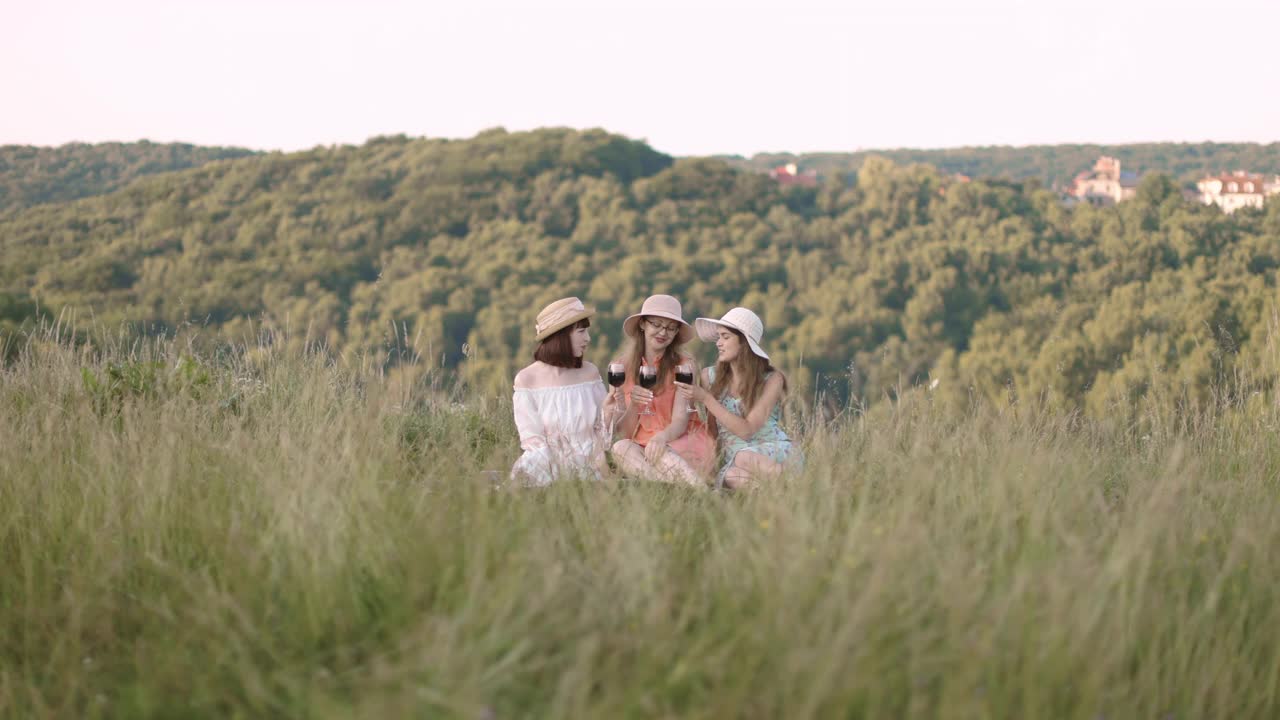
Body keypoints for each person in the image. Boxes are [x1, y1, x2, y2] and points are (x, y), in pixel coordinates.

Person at [677, 307, 801, 489]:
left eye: (725, 337)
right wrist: (710, 464)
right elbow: (713, 431)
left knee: (743, 457)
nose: (718, 343)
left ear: (744, 343)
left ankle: (793, 485)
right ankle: (779, 495)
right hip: (733, 459)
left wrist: (706, 399)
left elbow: (747, 430)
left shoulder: (772, 379)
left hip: (771, 451)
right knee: (730, 476)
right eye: (718, 337)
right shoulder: (708, 376)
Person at [609, 294, 715, 487]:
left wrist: (661, 438)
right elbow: (625, 433)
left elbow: (680, 421)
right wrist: (634, 404)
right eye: (657, 324)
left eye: (670, 328)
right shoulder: (620, 368)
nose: (663, 332)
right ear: (643, 324)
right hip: (642, 444)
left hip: (680, 438)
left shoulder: (684, 366)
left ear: (676, 333)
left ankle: (703, 494)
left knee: (663, 453)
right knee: (620, 448)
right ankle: (662, 486)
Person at [511, 297, 614, 486]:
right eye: (581, 331)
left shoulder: (589, 373)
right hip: (547, 463)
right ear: (561, 335)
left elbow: (601, 430)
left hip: (591, 461)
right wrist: (563, 465)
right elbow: (532, 440)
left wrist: (608, 413)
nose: (588, 339)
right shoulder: (527, 379)